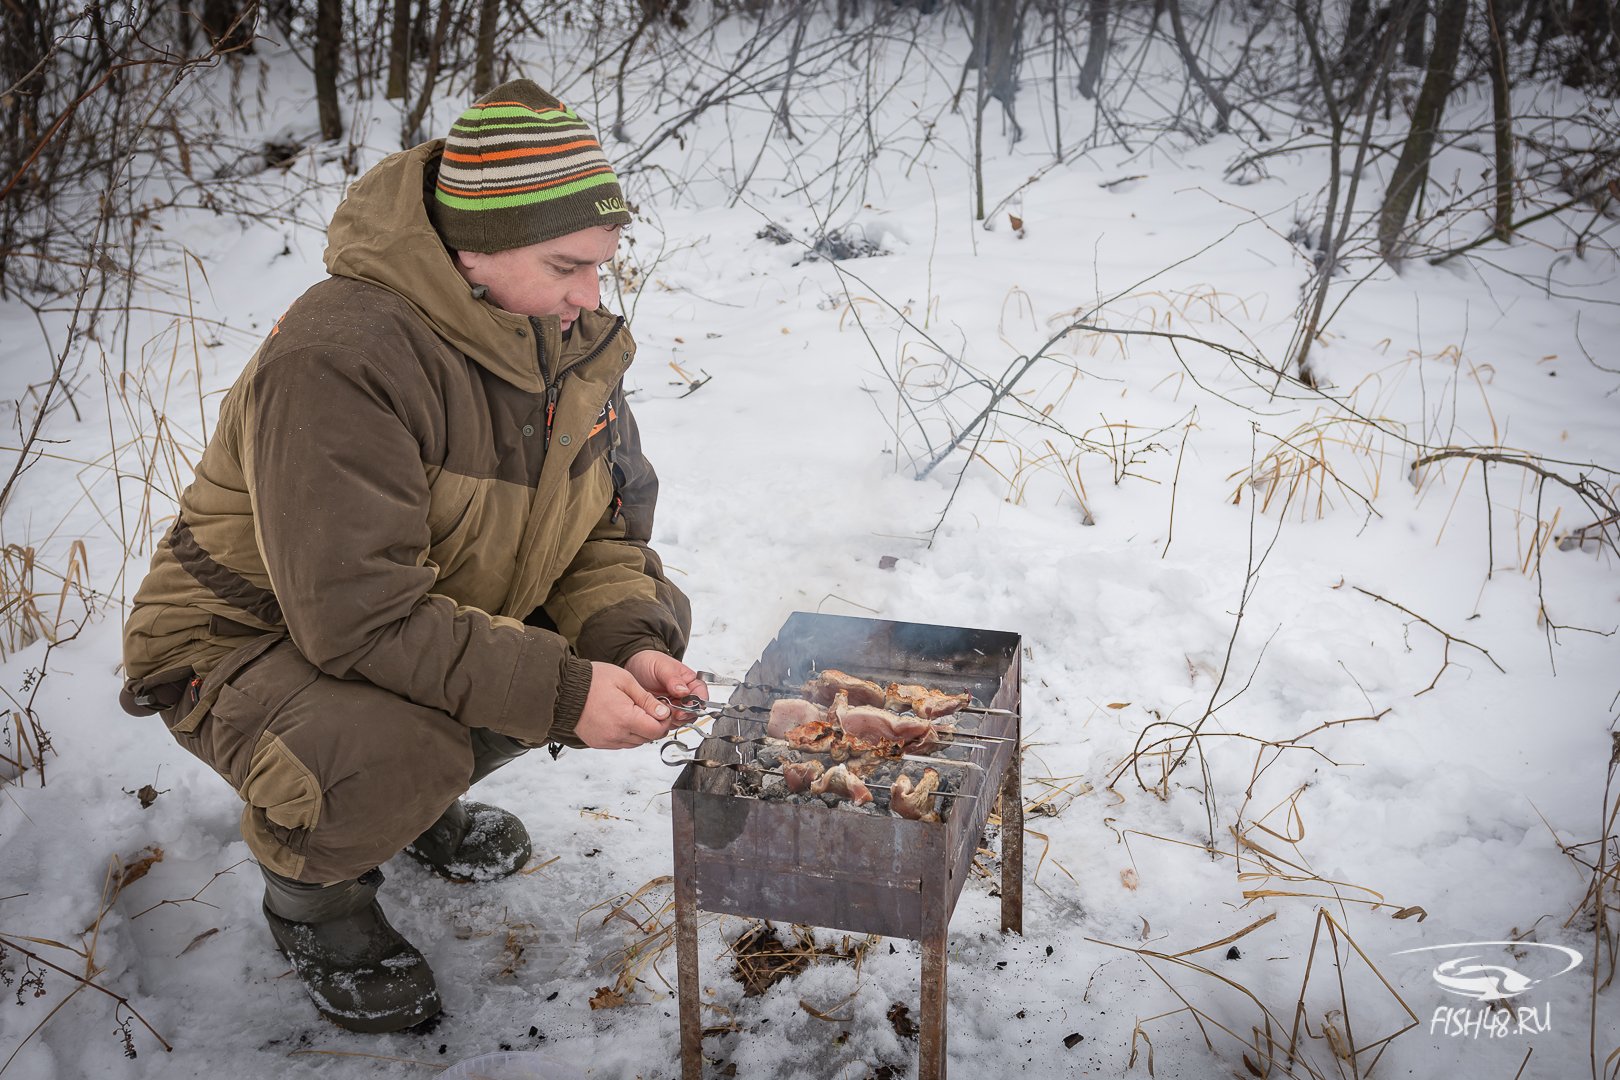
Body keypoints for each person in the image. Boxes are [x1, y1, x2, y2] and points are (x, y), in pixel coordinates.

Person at [117, 79, 702, 1032]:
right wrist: (560, 694)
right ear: (473, 249)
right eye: (566, 265)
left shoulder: (563, 342)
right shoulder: (342, 354)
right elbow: (359, 614)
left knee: (621, 632)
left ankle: (421, 796)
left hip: (405, 613)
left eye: (602, 265)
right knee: (396, 749)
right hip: (237, 641)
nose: (591, 297)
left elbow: (602, 537)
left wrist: (627, 646)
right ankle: (316, 900)